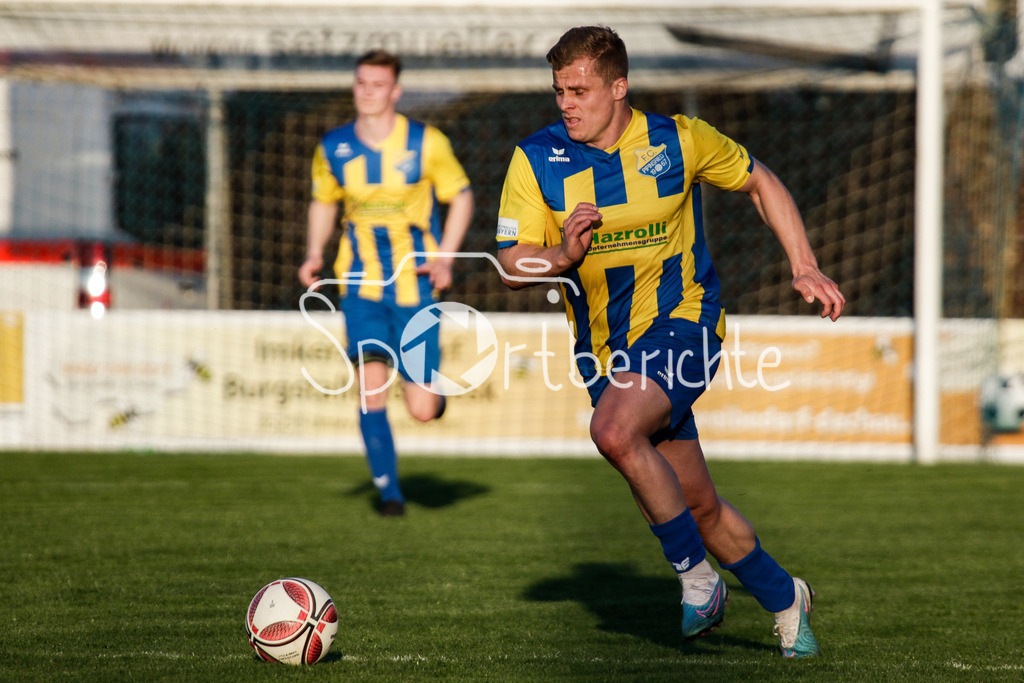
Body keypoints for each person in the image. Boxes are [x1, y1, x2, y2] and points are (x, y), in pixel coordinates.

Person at [495, 26, 844, 657]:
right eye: (558, 91)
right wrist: (561, 254)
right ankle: (787, 598)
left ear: (619, 87)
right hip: (605, 352)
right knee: (699, 507)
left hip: (687, 323)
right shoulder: (535, 158)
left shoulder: (680, 140)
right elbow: (511, 264)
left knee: (612, 431)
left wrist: (804, 263)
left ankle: (698, 581)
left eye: (580, 90)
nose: (566, 103)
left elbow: (761, 181)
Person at [300, 49, 474, 517]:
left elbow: (461, 197)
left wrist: (445, 257)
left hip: (416, 289)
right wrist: (315, 253)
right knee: (369, 387)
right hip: (360, 286)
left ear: (395, 91)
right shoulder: (333, 147)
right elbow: (323, 202)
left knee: (421, 408)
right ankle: (390, 494)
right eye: (361, 83)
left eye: (377, 84)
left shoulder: (426, 143)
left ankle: (415, 383)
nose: (367, 92)